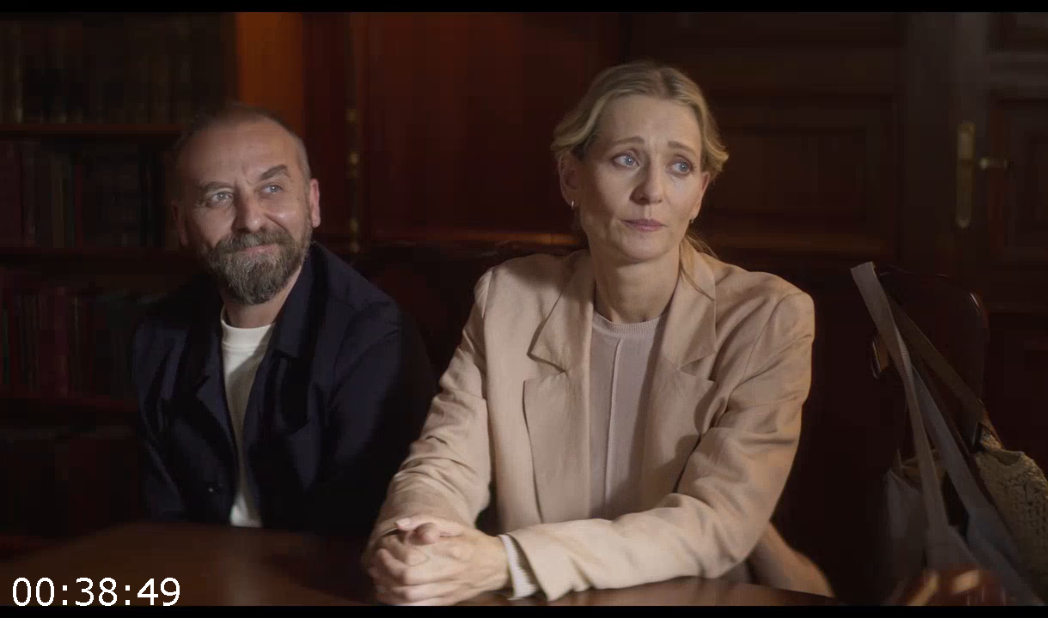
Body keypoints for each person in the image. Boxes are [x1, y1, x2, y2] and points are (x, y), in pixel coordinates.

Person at [364, 61, 834, 605]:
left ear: (700, 193)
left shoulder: (768, 318)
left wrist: (507, 561)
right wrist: (416, 539)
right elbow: (445, 463)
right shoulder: (508, 299)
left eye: (679, 166)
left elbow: (715, 523)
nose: (652, 190)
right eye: (626, 159)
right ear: (571, 177)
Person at [130, 102, 436, 535]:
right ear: (181, 223)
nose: (251, 220)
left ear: (312, 202)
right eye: (219, 197)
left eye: (272, 188)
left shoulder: (374, 338)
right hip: (197, 568)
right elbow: (163, 524)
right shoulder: (158, 336)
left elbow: (359, 534)